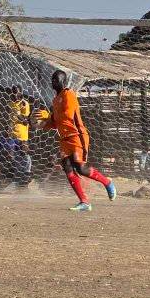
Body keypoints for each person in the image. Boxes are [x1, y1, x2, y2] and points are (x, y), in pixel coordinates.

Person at [36, 70, 116, 212]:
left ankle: (107, 182)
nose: (53, 82)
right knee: (67, 166)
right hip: (64, 139)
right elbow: (56, 123)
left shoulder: (69, 94)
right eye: (52, 79)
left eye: (55, 79)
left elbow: (67, 115)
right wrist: (43, 124)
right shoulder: (55, 100)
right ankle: (84, 202)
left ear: (62, 81)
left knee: (81, 168)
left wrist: (48, 117)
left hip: (77, 136)